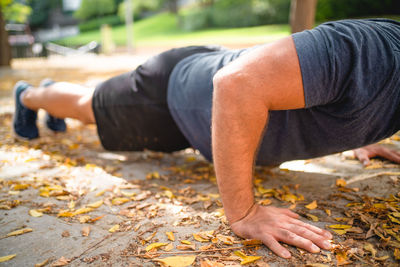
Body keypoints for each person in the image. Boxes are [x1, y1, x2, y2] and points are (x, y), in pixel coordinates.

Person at [13, 18, 400, 258]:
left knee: (92, 106)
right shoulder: (374, 53)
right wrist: (244, 214)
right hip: (172, 91)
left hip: (204, 108)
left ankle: (52, 95)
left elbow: (331, 90)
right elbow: (236, 84)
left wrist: (357, 130)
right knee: (88, 106)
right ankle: (31, 95)